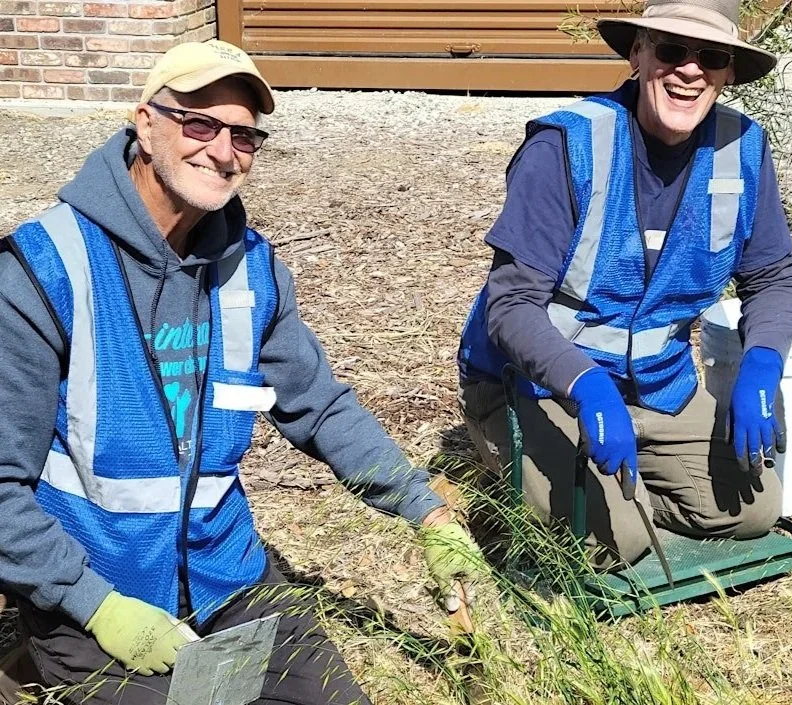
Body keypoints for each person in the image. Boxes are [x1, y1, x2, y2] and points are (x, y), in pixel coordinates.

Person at [0, 40, 482, 704]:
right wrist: (94, 604)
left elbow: (320, 406)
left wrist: (423, 510)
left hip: (226, 579)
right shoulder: (44, 272)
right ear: (145, 122)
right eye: (198, 123)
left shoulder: (247, 269)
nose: (223, 151)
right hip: (97, 594)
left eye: (244, 136)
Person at [458, 0, 792, 569]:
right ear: (638, 54)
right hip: (536, 385)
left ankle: (623, 484)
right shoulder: (565, 147)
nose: (689, 70)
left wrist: (762, 362)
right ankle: (518, 471)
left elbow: (773, 275)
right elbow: (512, 305)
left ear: (728, 73)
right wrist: (586, 387)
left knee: (754, 510)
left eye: (711, 57)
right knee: (617, 542)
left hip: (655, 386)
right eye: (671, 50)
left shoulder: (742, 150)